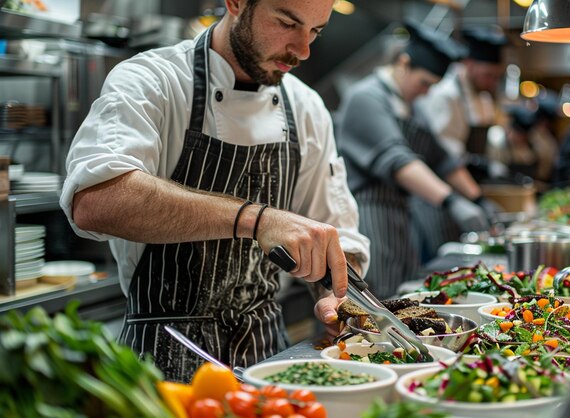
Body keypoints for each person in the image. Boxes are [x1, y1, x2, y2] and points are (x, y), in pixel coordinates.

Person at [60, 0, 370, 383]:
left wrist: (339, 295)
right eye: (287, 23)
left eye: (315, 31)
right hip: (161, 364)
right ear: (236, 3)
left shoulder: (306, 108)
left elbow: (339, 234)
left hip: (268, 361)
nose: (303, 50)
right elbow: (94, 200)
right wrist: (255, 220)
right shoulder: (153, 80)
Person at [335, 21, 492, 299]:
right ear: (404, 63)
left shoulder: (413, 107)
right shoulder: (366, 98)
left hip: (401, 217)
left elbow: (442, 159)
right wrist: (452, 201)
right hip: (367, 217)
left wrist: (477, 198)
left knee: (400, 295)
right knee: (371, 300)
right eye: (424, 83)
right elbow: (398, 160)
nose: (427, 92)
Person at [417, 25, 508, 183]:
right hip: (445, 180)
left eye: (496, 77)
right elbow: (443, 153)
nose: (492, 83)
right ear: (469, 64)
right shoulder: (446, 94)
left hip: (472, 179)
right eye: (488, 75)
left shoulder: (483, 96)